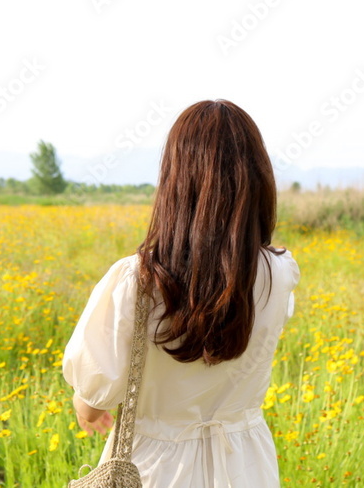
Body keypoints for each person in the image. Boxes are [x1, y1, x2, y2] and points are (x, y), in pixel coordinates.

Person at [62, 99, 301, 487]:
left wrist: (87, 408)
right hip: (247, 464)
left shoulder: (137, 279)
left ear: (175, 179)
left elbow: (92, 400)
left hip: (156, 469)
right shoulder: (278, 271)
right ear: (258, 179)